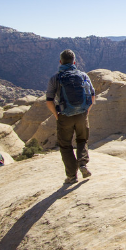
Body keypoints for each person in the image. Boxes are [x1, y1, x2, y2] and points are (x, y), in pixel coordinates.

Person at [46, 49, 95, 184]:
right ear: (74, 62)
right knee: (82, 140)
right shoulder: (83, 75)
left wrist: (56, 114)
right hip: (81, 115)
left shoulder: (55, 78)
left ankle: (72, 176)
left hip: (64, 115)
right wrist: (87, 110)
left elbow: (49, 99)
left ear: (60, 62)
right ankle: (83, 164)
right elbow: (92, 95)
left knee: (66, 145)